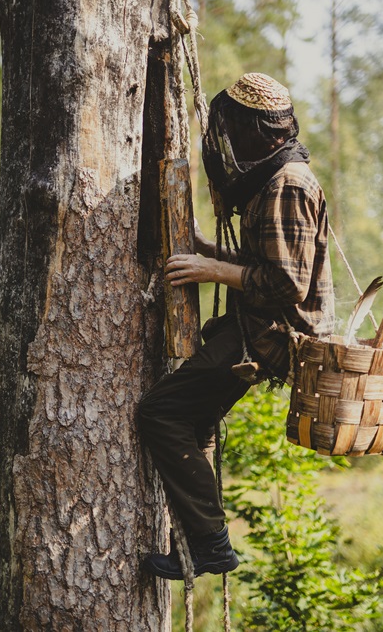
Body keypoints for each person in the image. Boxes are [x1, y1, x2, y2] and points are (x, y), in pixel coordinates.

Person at [138, 72, 336, 580]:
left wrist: (211, 270)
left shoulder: (286, 184)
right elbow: (267, 261)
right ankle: (195, 545)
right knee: (195, 417)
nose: (225, 138)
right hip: (257, 326)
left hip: (271, 334)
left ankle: (210, 546)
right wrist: (211, 251)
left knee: (160, 412)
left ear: (256, 128)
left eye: (232, 126)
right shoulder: (278, 178)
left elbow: (286, 283)